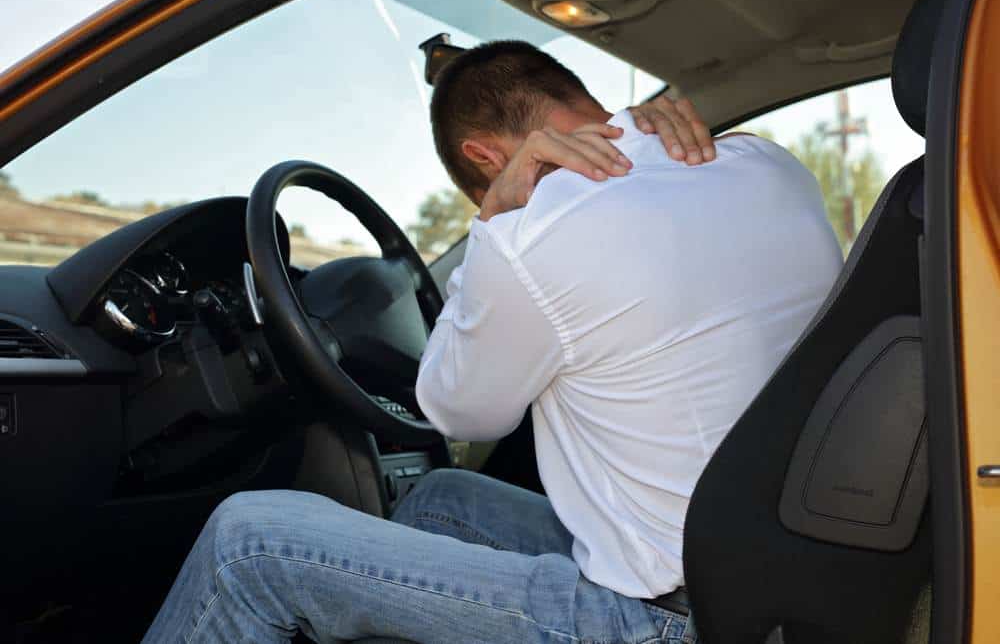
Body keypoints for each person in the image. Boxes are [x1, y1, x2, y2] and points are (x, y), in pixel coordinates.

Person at [144, 41, 843, 644]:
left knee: (246, 543)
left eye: (480, 186)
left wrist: (495, 219)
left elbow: (455, 412)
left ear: (485, 156)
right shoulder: (765, 164)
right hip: (781, 565)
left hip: (663, 619)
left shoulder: (533, 231)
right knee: (441, 499)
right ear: (577, 96)